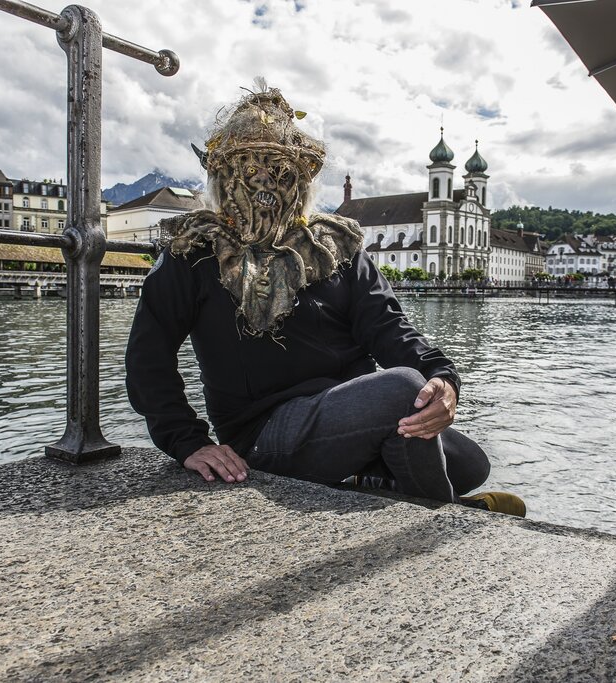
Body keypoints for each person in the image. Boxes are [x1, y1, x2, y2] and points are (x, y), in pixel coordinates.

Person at [125, 84, 523, 515]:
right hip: (263, 431)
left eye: (278, 171)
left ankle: (363, 485)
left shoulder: (335, 248)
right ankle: (441, 519)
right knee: (402, 391)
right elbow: (149, 355)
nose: (264, 184)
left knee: (470, 463)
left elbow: (389, 329)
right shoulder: (198, 253)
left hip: (348, 411)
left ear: (299, 178)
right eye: (250, 169)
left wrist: (443, 380)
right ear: (225, 178)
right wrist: (187, 441)